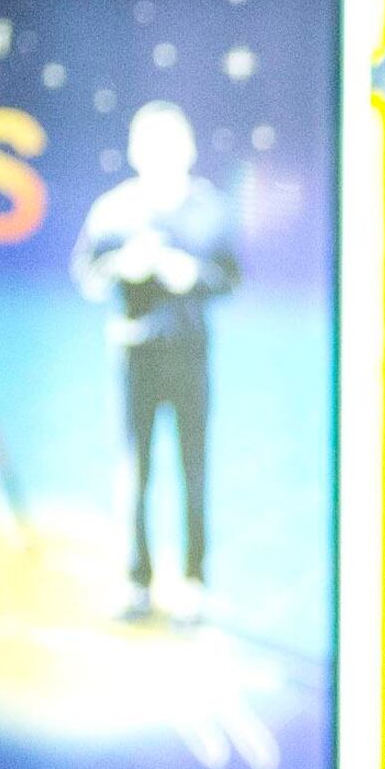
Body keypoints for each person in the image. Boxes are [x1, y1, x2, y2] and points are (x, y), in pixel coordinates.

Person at [71, 100, 241, 622]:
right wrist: (128, 264)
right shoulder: (114, 210)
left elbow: (230, 276)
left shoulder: (210, 209)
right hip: (135, 354)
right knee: (136, 471)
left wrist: (191, 274)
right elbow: (88, 274)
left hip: (189, 354)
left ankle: (194, 579)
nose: (164, 154)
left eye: (173, 144)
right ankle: (136, 581)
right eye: (153, 145)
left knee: (193, 469)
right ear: (136, 152)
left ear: (188, 149)